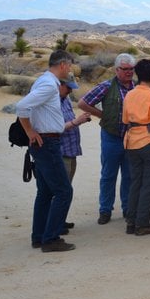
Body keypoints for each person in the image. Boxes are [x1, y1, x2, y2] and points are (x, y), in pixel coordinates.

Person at [16, 50, 75, 252]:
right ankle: (50, 239)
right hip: (47, 143)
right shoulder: (49, 84)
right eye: (70, 65)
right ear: (63, 65)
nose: (70, 69)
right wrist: (30, 131)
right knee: (64, 191)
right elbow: (22, 106)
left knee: (45, 192)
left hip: (44, 143)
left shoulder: (44, 81)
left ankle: (39, 236)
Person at [78, 53, 136, 225]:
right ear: (116, 69)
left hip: (131, 138)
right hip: (111, 138)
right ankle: (105, 210)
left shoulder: (137, 88)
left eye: (131, 69)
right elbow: (82, 103)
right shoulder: (106, 86)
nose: (129, 72)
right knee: (108, 175)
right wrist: (102, 115)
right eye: (125, 69)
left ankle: (127, 208)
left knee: (129, 175)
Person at [122, 59, 150, 236]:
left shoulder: (129, 95)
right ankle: (142, 223)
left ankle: (131, 221)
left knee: (136, 182)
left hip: (131, 142)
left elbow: (125, 120)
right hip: (149, 142)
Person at [59, 73, 91, 231]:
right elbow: (54, 128)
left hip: (71, 152)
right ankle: (55, 224)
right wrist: (76, 122)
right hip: (61, 153)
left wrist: (77, 121)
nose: (70, 91)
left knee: (67, 188)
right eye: (68, 88)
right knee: (60, 190)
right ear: (60, 85)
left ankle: (60, 219)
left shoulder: (65, 100)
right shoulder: (53, 103)